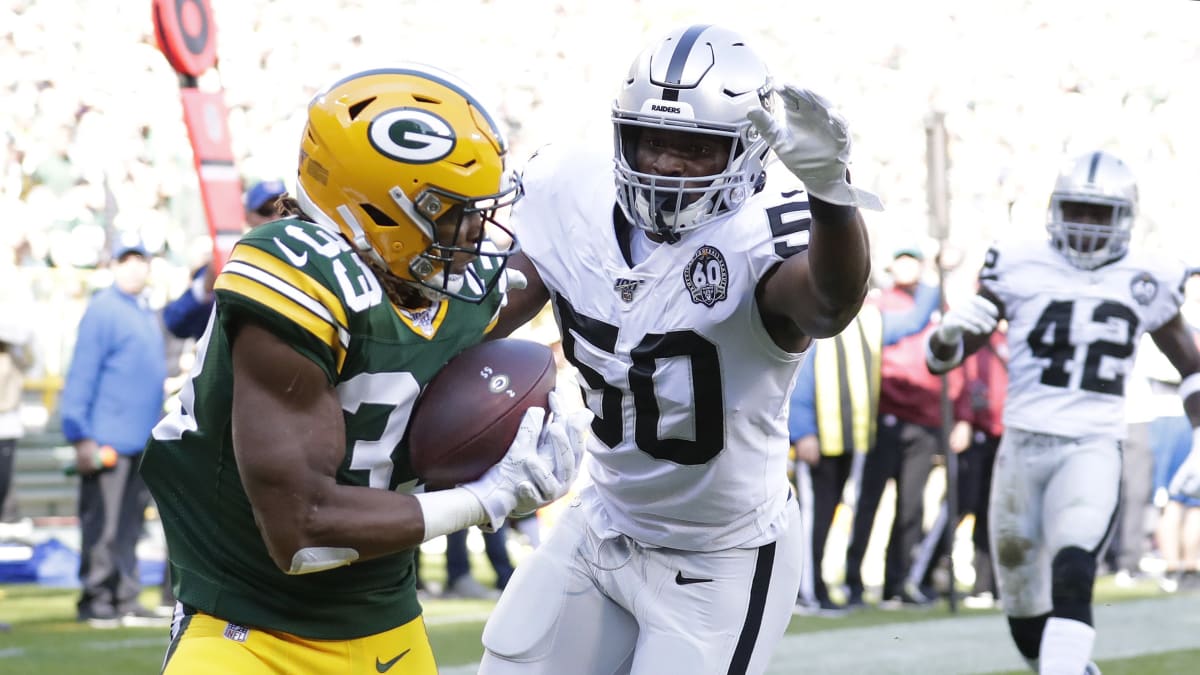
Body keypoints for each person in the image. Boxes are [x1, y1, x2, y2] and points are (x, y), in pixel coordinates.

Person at [139, 66, 589, 674]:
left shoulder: (448, 286)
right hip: (246, 626)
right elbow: (302, 531)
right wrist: (487, 498)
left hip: (387, 624)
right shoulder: (297, 279)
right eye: (451, 212)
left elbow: (546, 272)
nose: (476, 230)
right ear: (375, 213)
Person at [481, 25, 879, 674]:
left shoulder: (763, 229)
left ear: (748, 154)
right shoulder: (568, 190)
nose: (666, 163)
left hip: (719, 556)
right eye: (652, 140)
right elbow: (488, 315)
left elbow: (829, 304)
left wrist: (832, 198)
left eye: (695, 148)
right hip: (604, 521)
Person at [926, 150, 1200, 675]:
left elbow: (1190, 364)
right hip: (1021, 447)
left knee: (1074, 569)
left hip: (1092, 445)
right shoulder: (1018, 260)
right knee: (1024, 611)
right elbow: (944, 360)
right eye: (1077, 208)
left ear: (1125, 218)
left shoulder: (1149, 275)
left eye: (1100, 213)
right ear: (1056, 207)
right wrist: (945, 336)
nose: (1086, 223)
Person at [789, 280, 938, 616]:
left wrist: (930, 273)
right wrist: (803, 432)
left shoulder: (871, 322)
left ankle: (817, 586)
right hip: (818, 440)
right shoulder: (813, 319)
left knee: (827, 517)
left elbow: (916, 319)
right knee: (812, 518)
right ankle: (805, 592)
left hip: (849, 440)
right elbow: (798, 378)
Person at [60, 234, 168, 628]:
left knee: (129, 526)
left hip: (140, 439)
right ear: (113, 265)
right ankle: (96, 599)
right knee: (102, 525)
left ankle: (125, 596)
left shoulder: (144, 311)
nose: (136, 266)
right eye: (128, 259)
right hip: (105, 439)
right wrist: (80, 434)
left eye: (142, 259)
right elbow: (82, 374)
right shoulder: (103, 310)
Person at [843, 247, 951, 608]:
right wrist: (939, 276)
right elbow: (913, 322)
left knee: (911, 508)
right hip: (884, 416)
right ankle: (853, 582)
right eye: (900, 260)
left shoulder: (937, 304)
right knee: (869, 504)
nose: (906, 267)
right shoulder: (880, 304)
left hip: (924, 420)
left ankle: (898, 582)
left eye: (912, 261)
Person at [162, 179, 287, 340]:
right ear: (248, 217)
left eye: (283, 211)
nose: (276, 218)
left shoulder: (309, 262)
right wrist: (205, 288)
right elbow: (175, 323)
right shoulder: (231, 263)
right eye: (265, 211)